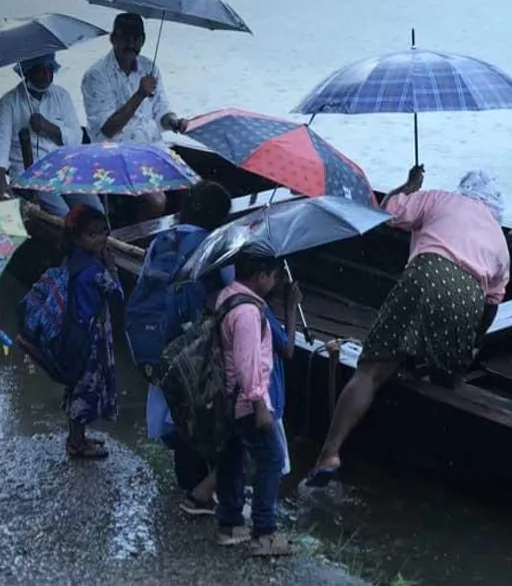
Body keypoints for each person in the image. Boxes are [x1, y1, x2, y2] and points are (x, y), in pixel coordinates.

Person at [306, 166, 510, 488]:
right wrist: (471, 345)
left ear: (464, 190)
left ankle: (329, 454)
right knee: (448, 376)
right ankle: (437, 459)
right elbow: (492, 303)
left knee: (370, 372)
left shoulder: (440, 199)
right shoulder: (500, 240)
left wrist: (408, 186)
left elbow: (387, 211)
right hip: (468, 298)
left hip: (425, 275)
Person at [139, 180, 233, 514]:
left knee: (174, 405)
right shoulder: (215, 245)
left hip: (160, 336)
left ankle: (187, 478)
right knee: (203, 408)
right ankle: (201, 489)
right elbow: (229, 291)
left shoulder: (162, 239)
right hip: (197, 343)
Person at [215, 254, 293, 555]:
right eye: (273, 276)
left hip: (228, 396)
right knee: (272, 458)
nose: (275, 283)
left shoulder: (228, 295)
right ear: (261, 276)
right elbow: (248, 365)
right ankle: (264, 532)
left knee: (232, 457)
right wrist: (260, 405)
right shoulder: (248, 312)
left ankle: (230, 523)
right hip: (247, 401)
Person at [81, 12, 190, 222]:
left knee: (196, 189)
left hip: (153, 148)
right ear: (113, 38)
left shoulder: (149, 68)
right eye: (125, 37)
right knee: (157, 202)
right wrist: (140, 94)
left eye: (137, 38)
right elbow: (108, 129)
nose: (131, 43)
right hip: (115, 152)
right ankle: (137, 239)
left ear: (143, 40)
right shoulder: (95, 75)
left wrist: (175, 122)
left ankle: (180, 235)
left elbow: (161, 111)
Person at [0, 53, 104, 217]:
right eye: (40, 70)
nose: (46, 74)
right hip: (29, 176)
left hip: (64, 169)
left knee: (95, 211)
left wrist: (47, 127)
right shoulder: (8, 102)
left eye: (49, 69)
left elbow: (76, 138)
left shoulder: (62, 96)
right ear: (27, 72)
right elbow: (1, 144)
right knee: (62, 214)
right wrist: (0, 181)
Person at [60, 204, 124, 459]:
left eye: (103, 232)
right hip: (91, 337)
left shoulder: (70, 261)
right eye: (92, 234)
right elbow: (117, 295)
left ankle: (77, 436)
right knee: (87, 388)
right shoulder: (95, 271)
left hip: (73, 333)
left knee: (76, 385)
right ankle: (77, 444)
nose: (100, 239)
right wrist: (112, 268)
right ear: (77, 236)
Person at [265, 281, 302, 476]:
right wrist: (291, 308)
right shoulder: (259, 310)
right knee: (274, 463)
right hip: (267, 400)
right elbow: (287, 349)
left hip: (262, 400)